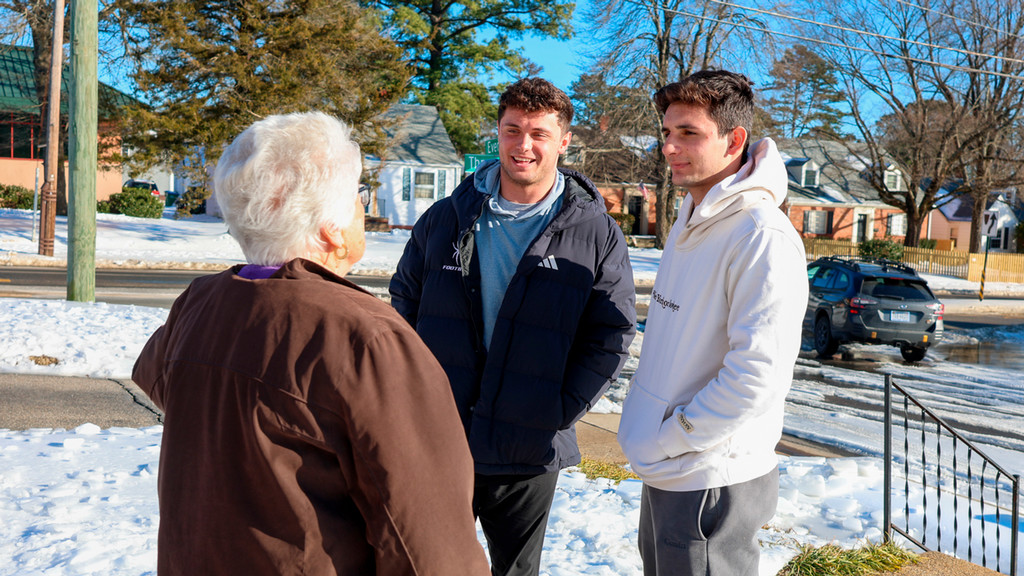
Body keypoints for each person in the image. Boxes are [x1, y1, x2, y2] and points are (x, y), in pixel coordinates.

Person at [132, 112, 489, 576]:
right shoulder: (368, 339)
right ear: (330, 229)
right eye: (359, 194)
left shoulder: (199, 305)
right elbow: (429, 549)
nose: (363, 205)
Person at [389, 77, 636, 576]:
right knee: (422, 567)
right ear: (497, 133)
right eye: (512, 130)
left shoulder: (594, 232)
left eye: (539, 133)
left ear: (564, 141)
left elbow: (611, 333)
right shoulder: (446, 218)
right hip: (441, 437)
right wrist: (414, 400)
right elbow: (401, 313)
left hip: (528, 448)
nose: (524, 145)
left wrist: (556, 410)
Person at [616, 70, 809, 576]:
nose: (670, 148)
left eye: (689, 134)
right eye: (667, 133)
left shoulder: (760, 236)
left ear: (734, 140)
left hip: (708, 475)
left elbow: (756, 378)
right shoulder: (693, 214)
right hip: (671, 468)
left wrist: (669, 437)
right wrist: (656, 444)